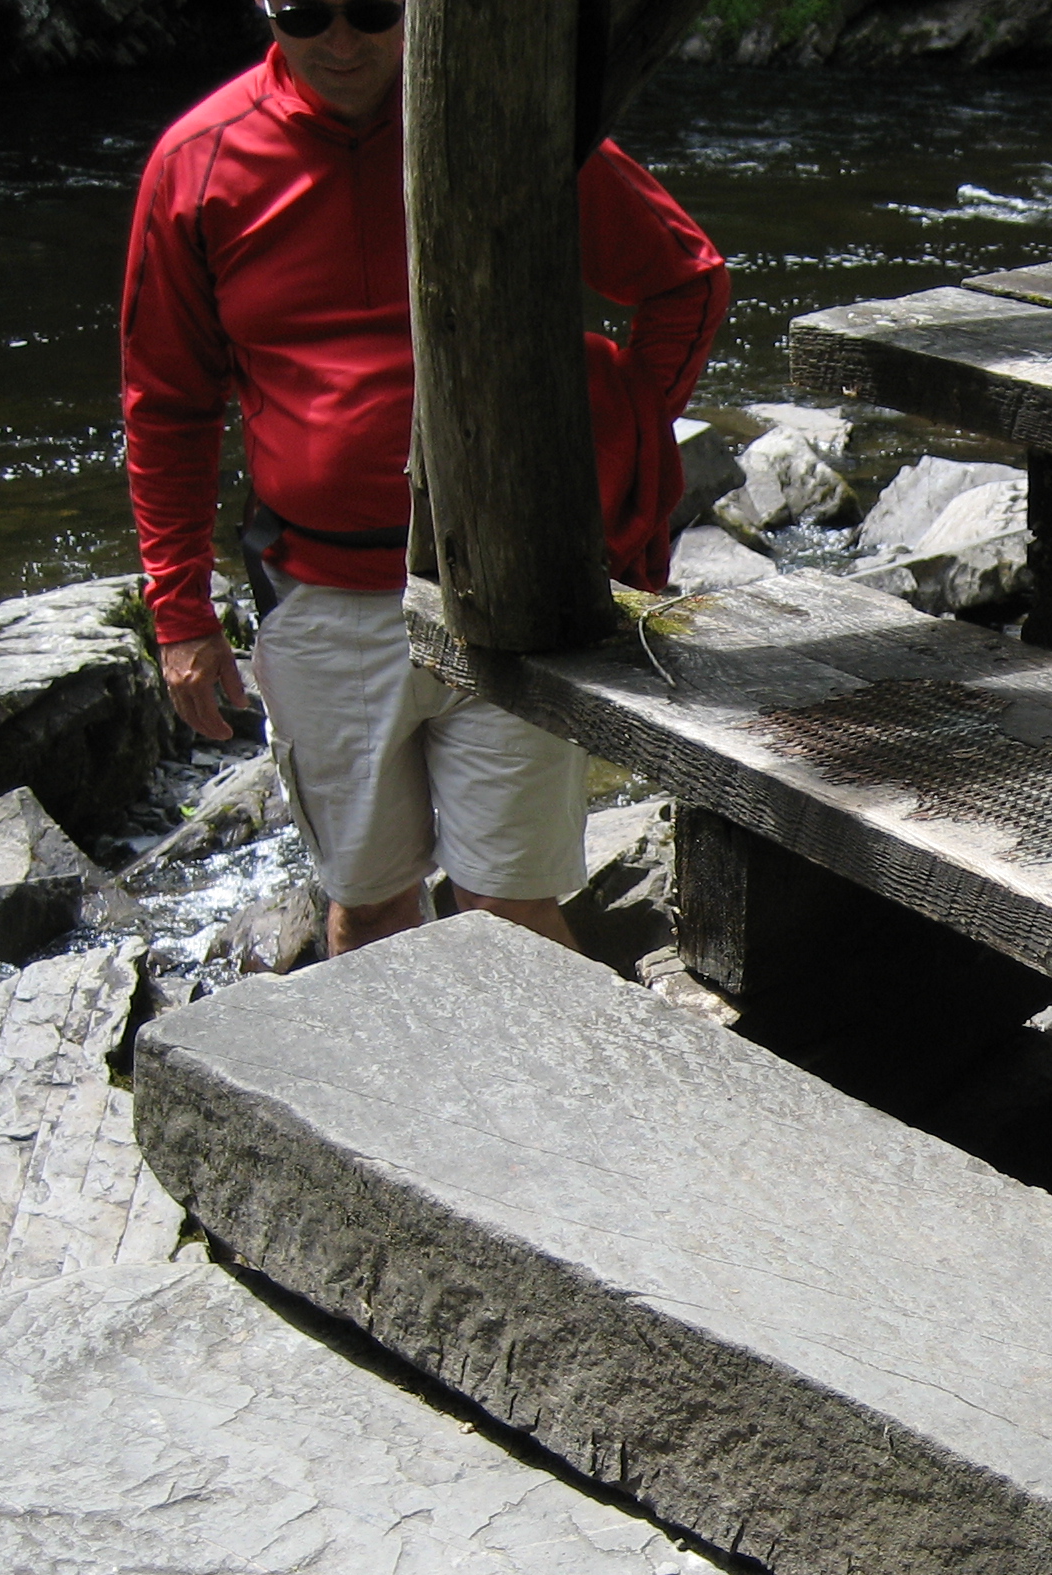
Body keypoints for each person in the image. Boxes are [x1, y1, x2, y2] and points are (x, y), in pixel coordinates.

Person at [121, 0, 728, 955]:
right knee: (369, 907)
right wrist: (181, 614)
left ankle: (555, 1064)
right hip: (321, 599)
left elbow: (686, 278)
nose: (340, 40)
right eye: (306, 12)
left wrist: (615, 437)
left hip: (509, 592)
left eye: (371, 9)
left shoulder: (501, 125)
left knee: (508, 910)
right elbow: (166, 401)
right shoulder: (197, 162)